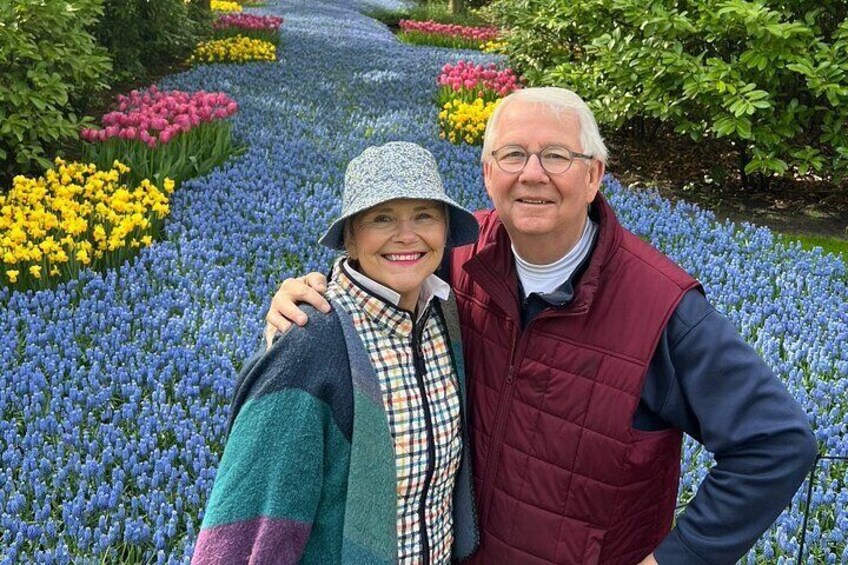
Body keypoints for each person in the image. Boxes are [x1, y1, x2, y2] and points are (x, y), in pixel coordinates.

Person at [264, 89, 818, 564]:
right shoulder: (453, 258)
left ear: (594, 175)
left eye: (556, 155)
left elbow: (776, 444)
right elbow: (382, 272)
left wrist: (676, 559)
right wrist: (311, 295)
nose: (532, 174)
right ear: (487, 174)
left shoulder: (659, 306)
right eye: (512, 155)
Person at [192, 142, 481, 564]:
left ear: (445, 231)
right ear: (350, 238)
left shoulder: (444, 316)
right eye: (382, 218)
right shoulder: (310, 344)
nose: (407, 235)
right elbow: (247, 524)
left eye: (424, 216)